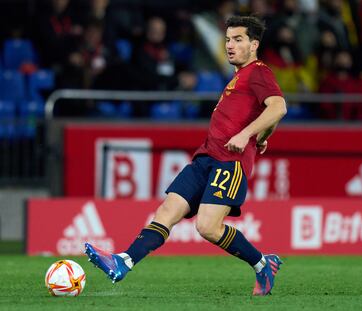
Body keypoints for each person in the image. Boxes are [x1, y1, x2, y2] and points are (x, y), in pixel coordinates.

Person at [85, 15, 287, 296]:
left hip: (229, 163)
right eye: (227, 39)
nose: (230, 45)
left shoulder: (259, 72)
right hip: (205, 158)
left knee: (207, 227)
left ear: (254, 44)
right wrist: (263, 135)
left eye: (238, 39)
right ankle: (123, 261)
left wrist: (245, 135)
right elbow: (267, 114)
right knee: (167, 210)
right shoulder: (240, 75)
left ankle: (263, 263)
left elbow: (278, 107)